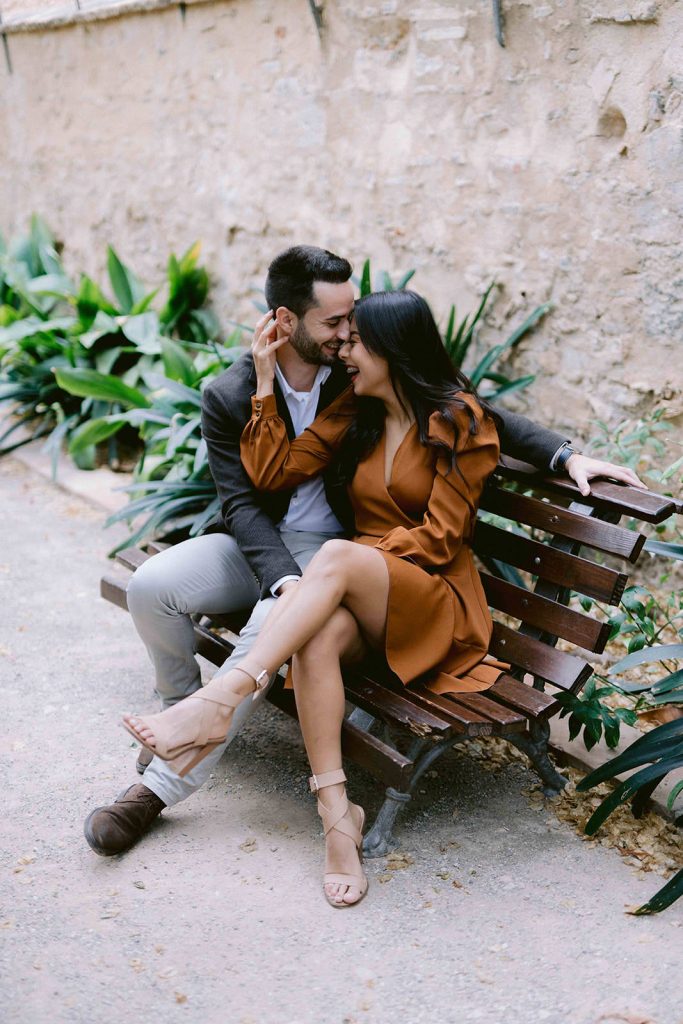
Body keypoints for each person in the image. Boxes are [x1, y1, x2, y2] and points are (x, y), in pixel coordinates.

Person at [84, 245, 643, 861]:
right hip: (304, 556)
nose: (347, 338)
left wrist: (565, 455)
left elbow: (477, 432)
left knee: (315, 584)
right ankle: (225, 737)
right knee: (167, 591)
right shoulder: (335, 403)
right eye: (337, 327)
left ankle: (189, 742)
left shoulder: (413, 407)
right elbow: (262, 486)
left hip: (399, 577)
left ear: (388, 353)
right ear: (287, 321)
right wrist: (266, 389)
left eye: (356, 330)